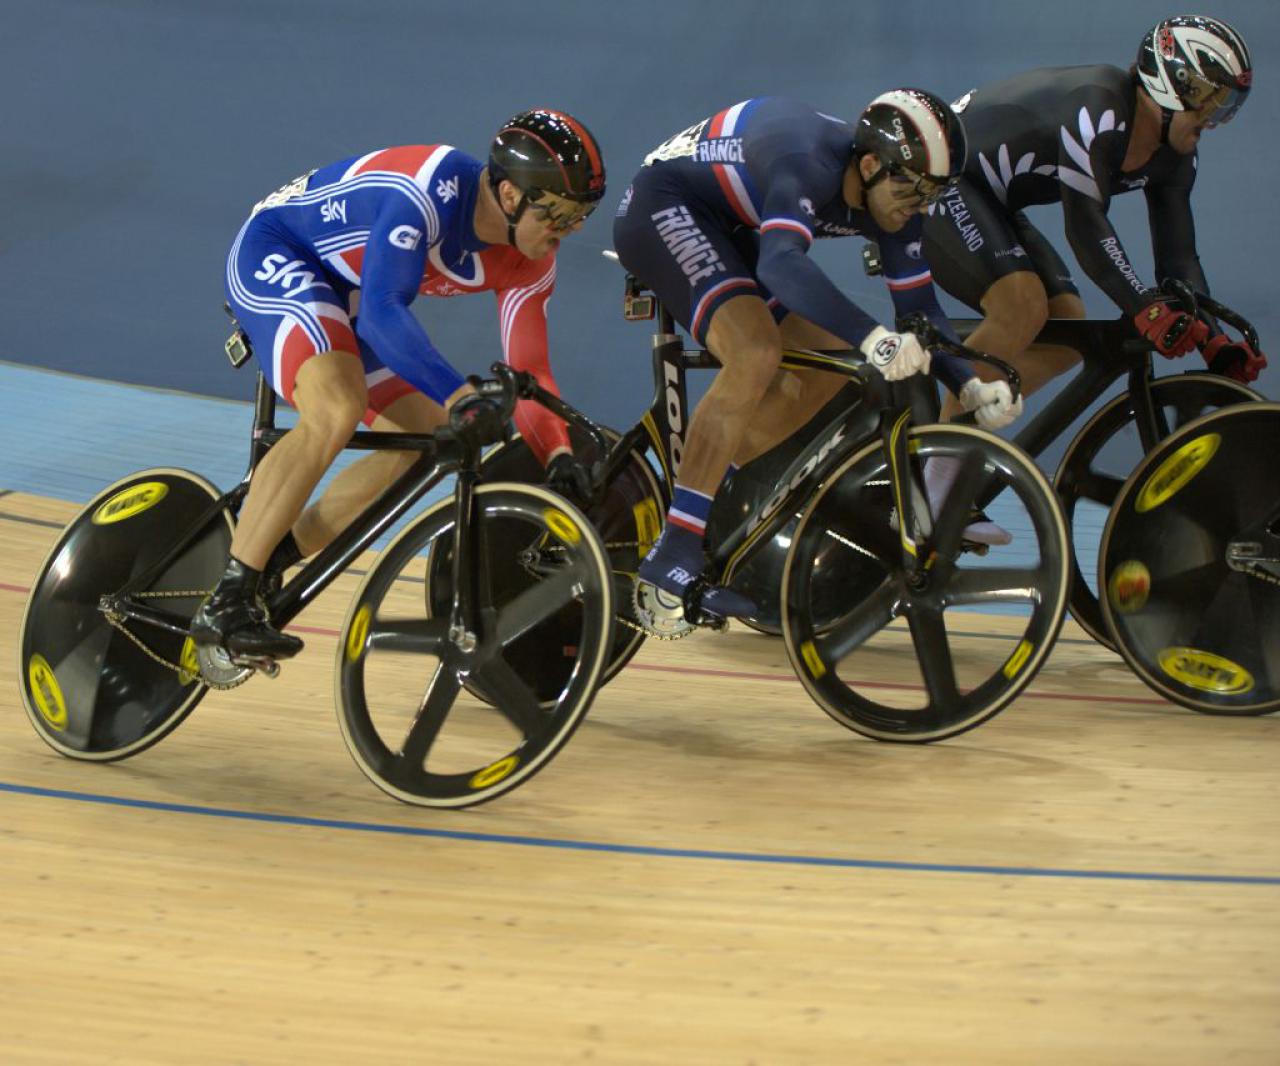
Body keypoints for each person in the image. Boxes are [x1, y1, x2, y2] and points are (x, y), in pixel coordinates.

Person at [192, 109, 606, 662]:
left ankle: (274, 561)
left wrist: (556, 453)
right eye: (557, 215)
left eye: (580, 218)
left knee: (427, 441)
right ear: (510, 195)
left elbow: (531, 370)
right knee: (337, 408)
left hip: (352, 288)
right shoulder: (428, 192)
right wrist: (461, 395)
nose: (566, 233)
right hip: (282, 252)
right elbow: (384, 317)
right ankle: (227, 598)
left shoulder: (531, 261)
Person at [613, 90, 1021, 620]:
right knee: (756, 352)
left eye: (932, 195)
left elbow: (920, 310)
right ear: (870, 165)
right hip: (664, 205)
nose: (919, 205)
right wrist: (877, 338)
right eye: (912, 189)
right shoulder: (805, 161)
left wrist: (967, 384)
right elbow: (781, 266)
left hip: (733, 220)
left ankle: (711, 506)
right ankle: (675, 550)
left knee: (838, 366)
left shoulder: (897, 197)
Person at [922, 13, 1266, 430]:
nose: (1215, 119)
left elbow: (1178, 259)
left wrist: (1214, 342)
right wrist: (1143, 307)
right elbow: (1085, 222)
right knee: (1021, 306)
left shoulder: (1177, 153)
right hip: (936, 181)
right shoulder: (1099, 107)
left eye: (1225, 105)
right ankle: (936, 457)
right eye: (1211, 100)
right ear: (1172, 85)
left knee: (1067, 332)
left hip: (989, 197)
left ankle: (962, 431)